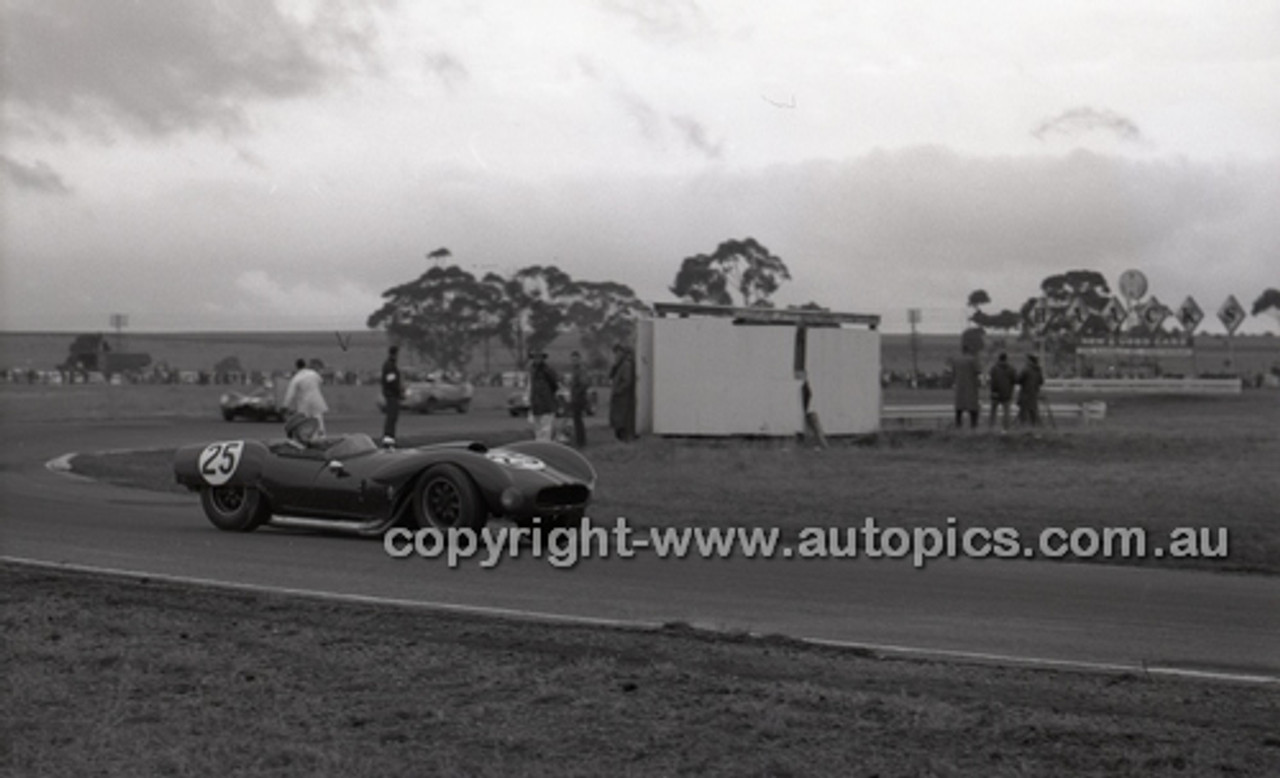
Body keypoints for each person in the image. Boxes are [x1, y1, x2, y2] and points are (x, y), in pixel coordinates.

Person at [283, 358, 328, 435]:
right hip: (316, 400)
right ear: (305, 365)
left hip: (304, 402)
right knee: (318, 418)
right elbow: (321, 381)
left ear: (296, 367)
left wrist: (285, 405)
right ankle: (321, 435)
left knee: (305, 421)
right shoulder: (313, 374)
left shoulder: (296, 378)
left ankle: (308, 436)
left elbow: (290, 394)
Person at [527, 350, 559, 442]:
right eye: (535, 357)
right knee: (537, 430)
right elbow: (530, 387)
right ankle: (538, 448)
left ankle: (544, 449)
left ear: (542, 358)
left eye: (539, 357)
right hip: (536, 405)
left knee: (545, 430)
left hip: (546, 404)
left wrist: (547, 395)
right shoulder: (531, 370)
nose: (536, 359)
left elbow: (555, 385)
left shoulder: (548, 370)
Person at [609, 343, 636, 442]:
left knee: (623, 420)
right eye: (615, 353)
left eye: (618, 352)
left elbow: (627, 381)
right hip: (618, 398)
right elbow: (611, 376)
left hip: (623, 397)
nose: (616, 355)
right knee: (618, 420)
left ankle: (625, 438)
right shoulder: (619, 365)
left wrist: (618, 390)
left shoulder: (626, 365)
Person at [951, 347, 981, 429]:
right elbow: (978, 371)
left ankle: (958, 426)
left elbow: (953, 373)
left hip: (959, 387)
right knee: (973, 409)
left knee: (959, 410)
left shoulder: (956, 360)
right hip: (971, 386)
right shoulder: (972, 359)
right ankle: (973, 427)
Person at [988, 352, 1017, 431]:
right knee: (1006, 412)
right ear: (1006, 359)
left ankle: (991, 427)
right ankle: (1006, 428)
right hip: (1006, 393)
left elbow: (991, 379)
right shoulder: (1011, 369)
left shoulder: (994, 368)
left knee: (993, 411)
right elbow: (1015, 380)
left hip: (995, 392)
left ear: (999, 358)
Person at [380, 345, 402, 448]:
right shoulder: (390, 366)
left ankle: (389, 438)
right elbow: (391, 381)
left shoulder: (389, 365)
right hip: (392, 395)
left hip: (390, 394)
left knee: (392, 418)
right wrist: (398, 391)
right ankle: (389, 438)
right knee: (391, 418)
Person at [567, 350, 590, 448]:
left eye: (575, 359)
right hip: (575, 396)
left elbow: (584, 384)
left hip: (579, 398)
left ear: (579, 359)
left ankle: (581, 442)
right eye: (572, 359)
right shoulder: (574, 370)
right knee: (576, 420)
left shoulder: (581, 369)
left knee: (578, 420)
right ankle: (579, 440)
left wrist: (577, 393)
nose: (574, 361)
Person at [1017, 354, 1045, 427]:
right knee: (1033, 410)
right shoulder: (1038, 370)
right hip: (1034, 393)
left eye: (1027, 360)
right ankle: (1033, 426)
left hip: (1025, 393)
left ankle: (1023, 426)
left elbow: (1019, 379)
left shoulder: (1026, 369)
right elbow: (1041, 381)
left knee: (1023, 411)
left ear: (1030, 360)